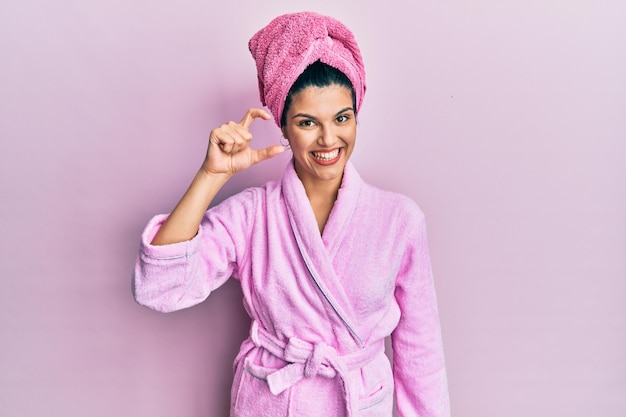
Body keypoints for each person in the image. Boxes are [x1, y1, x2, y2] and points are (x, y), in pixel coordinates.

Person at [133, 11, 450, 417]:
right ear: (283, 126)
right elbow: (157, 287)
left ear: (356, 116)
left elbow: (420, 353)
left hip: (358, 403)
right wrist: (211, 176)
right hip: (272, 402)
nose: (328, 138)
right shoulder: (252, 216)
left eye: (342, 118)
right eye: (307, 122)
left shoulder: (399, 220)